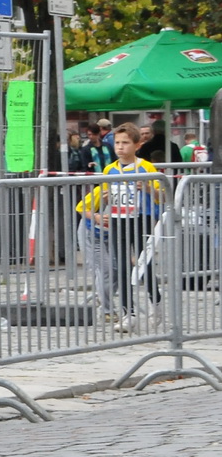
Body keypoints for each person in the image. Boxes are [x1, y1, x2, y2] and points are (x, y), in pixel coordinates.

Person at [77, 122, 165, 333]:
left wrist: (147, 188)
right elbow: (96, 199)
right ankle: (129, 313)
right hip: (118, 221)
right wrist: (98, 212)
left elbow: (162, 197)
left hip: (141, 220)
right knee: (123, 266)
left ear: (136, 145)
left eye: (125, 143)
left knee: (146, 266)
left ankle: (157, 305)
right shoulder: (110, 169)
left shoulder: (146, 167)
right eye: (117, 143)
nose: (120, 147)